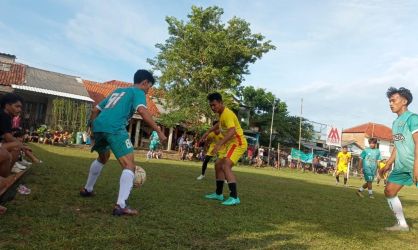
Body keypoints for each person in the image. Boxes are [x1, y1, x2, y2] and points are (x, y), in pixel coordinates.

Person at [79, 69, 167, 216]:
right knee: (129, 165)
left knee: (103, 157)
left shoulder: (118, 91)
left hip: (99, 126)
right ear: (144, 82)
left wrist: (94, 128)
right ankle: (121, 205)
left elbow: (95, 110)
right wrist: (158, 131)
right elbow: (143, 112)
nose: (148, 91)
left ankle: (87, 189)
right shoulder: (138, 92)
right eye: (149, 87)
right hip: (115, 128)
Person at [379, 87, 417, 231]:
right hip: (401, 167)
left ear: (404, 101)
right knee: (389, 191)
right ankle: (402, 225)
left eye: (393, 100)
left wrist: (416, 166)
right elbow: (397, 145)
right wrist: (388, 163)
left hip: (415, 164)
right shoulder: (395, 123)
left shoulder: (412, 118)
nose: (390, 103)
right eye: (389, 101)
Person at [201, 92, 247, 206]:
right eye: (211, 105)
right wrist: (207, 132)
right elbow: (219, 125)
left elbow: (232, 131)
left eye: (214, 105)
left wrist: (219, 143)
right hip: (231, 144)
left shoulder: (227, 114)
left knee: (225, 165)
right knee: (218, 165)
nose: (213, 107)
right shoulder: (221, 115)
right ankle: (218, 194)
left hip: (238, 143)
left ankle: (234, 197)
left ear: (221, 103)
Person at [0, 93, 28, 177]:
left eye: (20, 107)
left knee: (17, 145)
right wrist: (22, 146)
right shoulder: (3, 115)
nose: (20, 109)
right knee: (17, 145)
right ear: (7, 105)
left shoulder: (6, 116)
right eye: (17, 106)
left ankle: (5, 173)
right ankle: (5, 175)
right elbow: (7, 136)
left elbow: (6, 136)